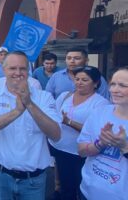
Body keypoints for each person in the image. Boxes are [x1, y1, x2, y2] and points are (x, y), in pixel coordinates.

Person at [0, 51, 61, 200]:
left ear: (28, 71)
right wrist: (17, 111)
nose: (18, 73)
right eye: (12, 68)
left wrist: (29, 104)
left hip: (33, 180)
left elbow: (56, 134)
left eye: (22, 68)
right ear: (4, 70)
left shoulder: (44, 97)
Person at [49, 66, 109, 200]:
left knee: (79, 186)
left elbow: (97, 132)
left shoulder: (101, 103)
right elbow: (55, 115)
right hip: (59, 147)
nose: (79, 82)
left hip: (80, 153)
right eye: (77, 79)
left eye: (84, 80)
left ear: (95, 83)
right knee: (63, 185)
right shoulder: (65, 96)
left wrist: (70, 122)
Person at [77, 66, 128, 200]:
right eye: (113, 84)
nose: (114, 90)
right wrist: (100, 144)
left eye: (122, 85)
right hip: (87, 191)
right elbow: (81, 151)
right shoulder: (100, 112)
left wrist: (124, 147)